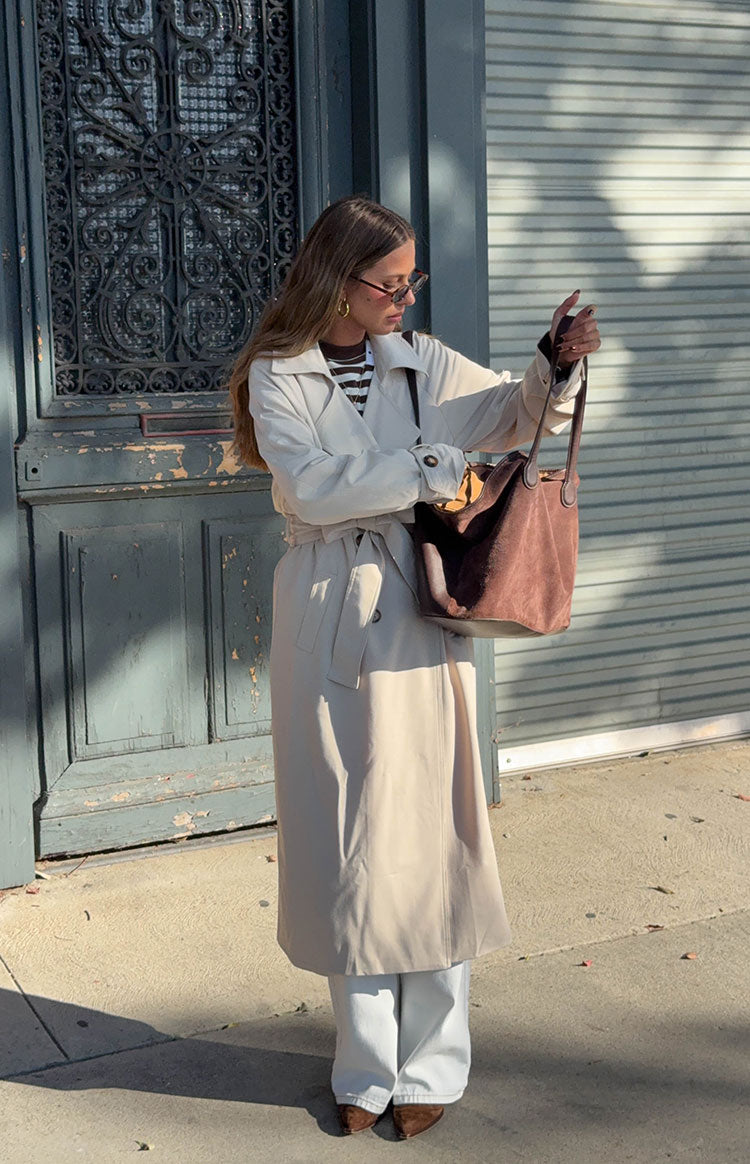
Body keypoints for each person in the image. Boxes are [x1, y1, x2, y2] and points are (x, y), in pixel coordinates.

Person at [227, 194, 600, 1139]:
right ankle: (365, 1066)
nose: (404, 296)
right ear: (334, 279)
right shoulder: (278, 374)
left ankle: (434, 1062)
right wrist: (434, 465)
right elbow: (311, 486)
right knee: (349, 835)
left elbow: (510, 419)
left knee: (432, 835)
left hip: (419, 617)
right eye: (389, 282)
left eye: (411, 280)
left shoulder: (421, 359)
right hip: (325, 612)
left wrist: (549, 365)